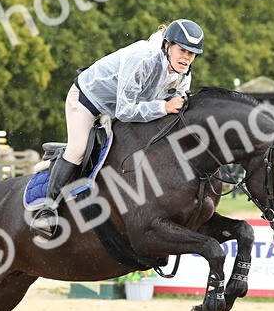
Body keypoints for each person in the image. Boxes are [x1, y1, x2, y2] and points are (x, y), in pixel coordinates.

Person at [30, 19, 203, 238]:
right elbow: (125, 111)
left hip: (119, 108)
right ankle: (48, 210)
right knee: (79, 149)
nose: (187, 57)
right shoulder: (142, 58)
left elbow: (172, 113)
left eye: (192, 53)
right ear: (167, 45)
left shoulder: (183, 74)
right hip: (88, 100)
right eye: (182, 50)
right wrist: (164, 106)